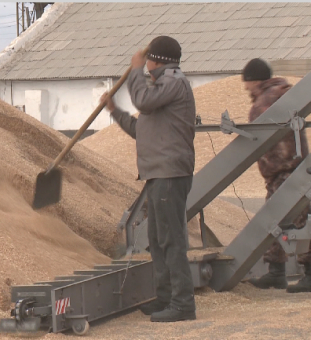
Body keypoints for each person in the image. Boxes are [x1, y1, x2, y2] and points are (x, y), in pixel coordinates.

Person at [100, 36, 196, 322]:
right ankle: (165, 298)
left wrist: (134, 71)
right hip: (158, 173)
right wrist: (115, 112)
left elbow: (142, 99)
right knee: (157, 240)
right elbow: (141, 129)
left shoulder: (173, 82)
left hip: (169, 173)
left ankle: (182, 304)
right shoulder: (160, 89)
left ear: (156, 60)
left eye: (148, 61)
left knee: (171, 240)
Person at [242, 58, 311, 293]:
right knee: (280, 220)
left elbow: (258, 139)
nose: (245, 88)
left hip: (282, 171)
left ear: (254, 80)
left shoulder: (264, 101)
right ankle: (277, 272)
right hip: (294, 166)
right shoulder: (284, 93)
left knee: (296, 220)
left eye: (246, 82)